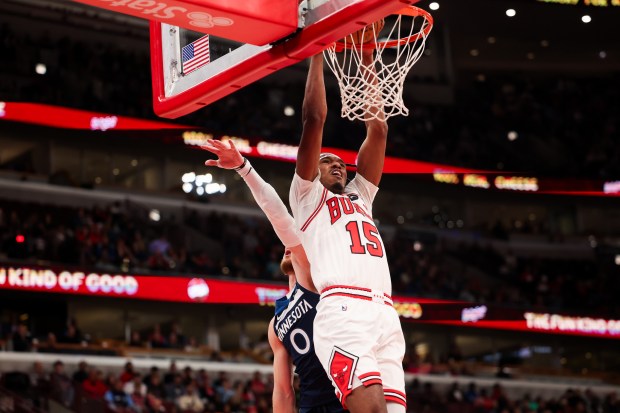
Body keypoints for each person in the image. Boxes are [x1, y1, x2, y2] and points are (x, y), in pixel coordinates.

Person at [288, 51, 406, 413]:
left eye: (342, 163)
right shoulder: (306, 196)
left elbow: (378, 129)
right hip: (343, 309)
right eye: (328, 162)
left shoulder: (361, 196)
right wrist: (318, 51)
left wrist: (368, 57)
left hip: (385, 313)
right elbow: (314, 119)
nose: (338, 165)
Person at [203, 140, 345, 413]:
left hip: (347, 399)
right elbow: (282, 391)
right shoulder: (277, 322)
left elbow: (279, 216)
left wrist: (245, 169)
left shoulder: (313, 273)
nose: (288, 246)